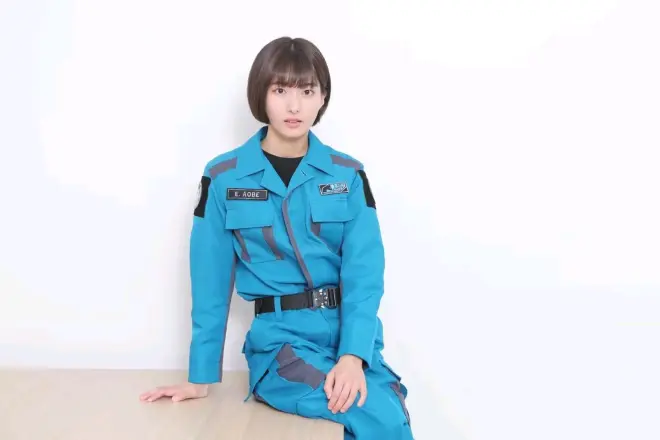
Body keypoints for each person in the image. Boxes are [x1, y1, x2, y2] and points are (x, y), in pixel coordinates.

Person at [139, 36, 413, 440]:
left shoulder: (347, 175)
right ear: (261, 94)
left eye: (307, 91)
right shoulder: (224, 177)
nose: (294, 105)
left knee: (392, 408)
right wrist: (200, 376)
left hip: (350, 341)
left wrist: (353, 355)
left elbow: (365, 273)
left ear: (323, 97)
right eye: (280, 90)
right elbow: (210, 280)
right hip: (282, 346)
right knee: (376, 415)